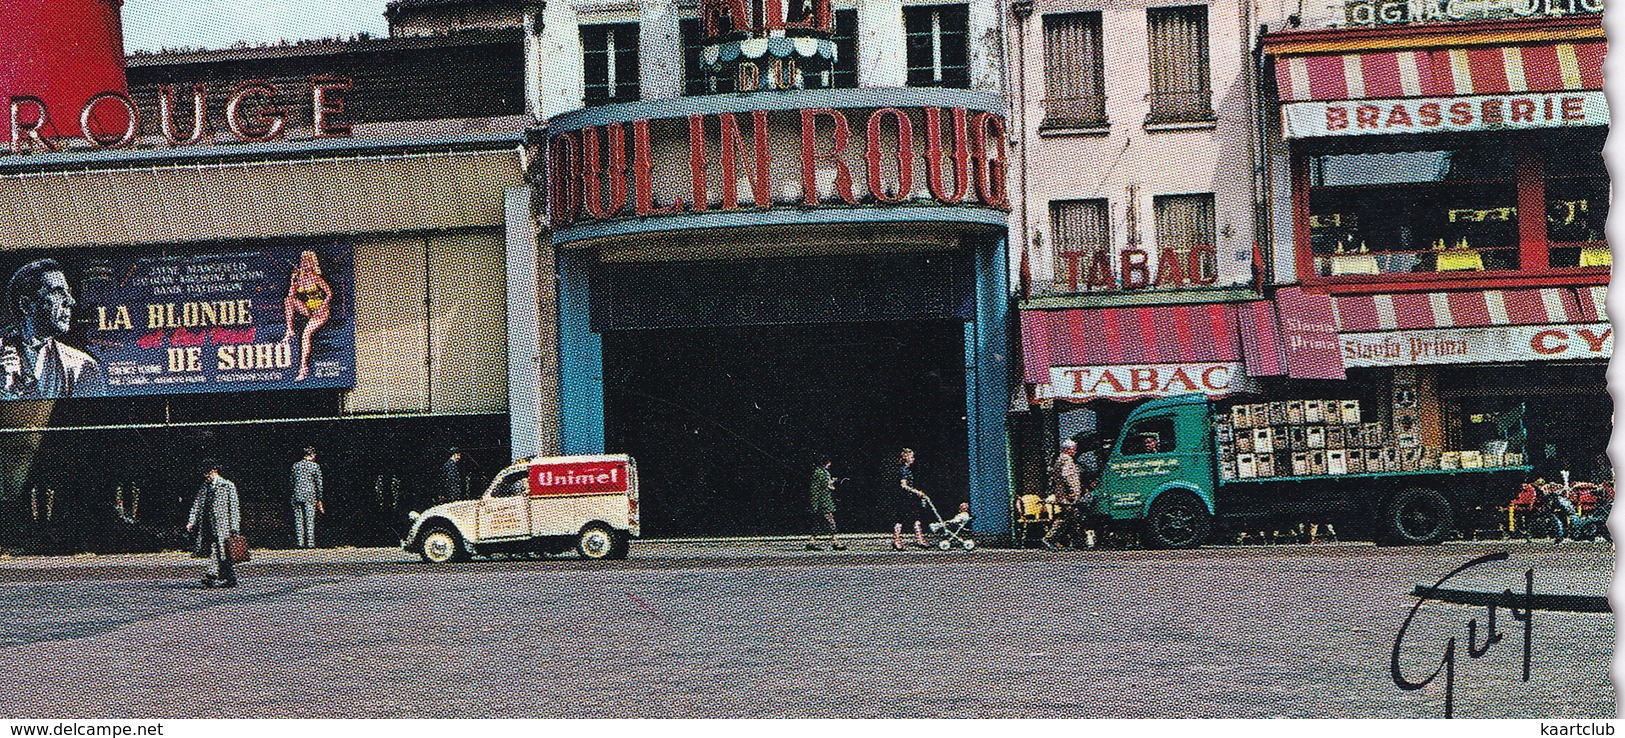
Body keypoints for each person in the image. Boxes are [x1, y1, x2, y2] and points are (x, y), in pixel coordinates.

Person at [1, 258, 107, 400]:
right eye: (57, 292)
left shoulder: (82, 366)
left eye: (68, 292)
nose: (70, 301)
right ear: (26, 305)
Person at [279, 250, 335, 382]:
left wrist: (322, 308)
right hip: (308, 309)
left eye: (307, 262)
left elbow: (329, 294)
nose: (304, 264)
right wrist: (293, 282)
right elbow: (291, 295)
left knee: (305, 335)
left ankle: (303, 368)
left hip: (321, 311)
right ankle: (289, 330)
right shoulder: (300, 279)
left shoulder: (316, 278)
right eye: (303, 262)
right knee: (288, 300)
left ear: (312, 264)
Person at [186, 460, 242, 589]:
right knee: (219, 550)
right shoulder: (205, 487)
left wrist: (234, 527)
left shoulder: (227, 486)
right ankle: (229, 577)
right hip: (208, 524)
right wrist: (191, 521)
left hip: (224, 525)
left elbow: (234, 507)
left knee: (220, 550)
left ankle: (211, 575)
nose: (206, 476)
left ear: (214, 471)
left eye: (208, 472)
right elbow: (197, 505)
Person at [1042, 440, 1083, 550]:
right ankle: (1050, 538)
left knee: (1073, 519)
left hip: (1063, 494)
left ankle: (1077, 543)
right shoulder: (1067, 460)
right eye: (1074, 448)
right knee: (1066, 518)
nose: (1075, 451)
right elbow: (1067, 477)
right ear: (1067, 449)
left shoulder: (1059, 460)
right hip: (1067, 496)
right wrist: (1072, 492)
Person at [805, 455, 846, 551]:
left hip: (826, 501)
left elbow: (826, 484)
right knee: (830, 522)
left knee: (820, 523)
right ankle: (835, 541)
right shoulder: (819, 473)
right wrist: (814, 505)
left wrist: (832, 482)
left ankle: (812, 541)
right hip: (822, 502)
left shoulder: (824, 472)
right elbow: (815, 489)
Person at [893, 448, 929, 550]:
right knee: (901, 519)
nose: (913, 458)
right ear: (905, 457)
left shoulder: (908, 470)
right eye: (911, 456)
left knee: (916, 518)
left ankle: (920, 538)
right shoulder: (904, 470)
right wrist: (917, 492)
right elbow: (904, 485)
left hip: (910, 498)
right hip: (904, 498)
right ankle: (896, 540)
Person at [289, 446, 324, 548]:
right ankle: (310, 543)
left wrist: (293, 492)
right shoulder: (315, 466)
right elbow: (319, 483)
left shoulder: (295, 466)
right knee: (309, 519)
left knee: (298, 519)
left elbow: (292, 481)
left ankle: (300, 542)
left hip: (297, 494)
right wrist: (319, 498)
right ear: (312, 455)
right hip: (310, 495)